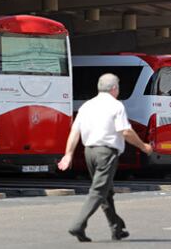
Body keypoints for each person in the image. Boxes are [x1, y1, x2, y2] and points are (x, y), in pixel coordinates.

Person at [58, 73, 153, 242]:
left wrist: (69, 154)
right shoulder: (116, 106)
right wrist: (143, 146)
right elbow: (125, 131)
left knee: (106, 191)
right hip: (106, 153)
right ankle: (77, 225)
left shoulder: (87, 106)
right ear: (114, 88)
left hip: (89, 152)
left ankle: (117, 228)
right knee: (98, 191)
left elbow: (75, 132)